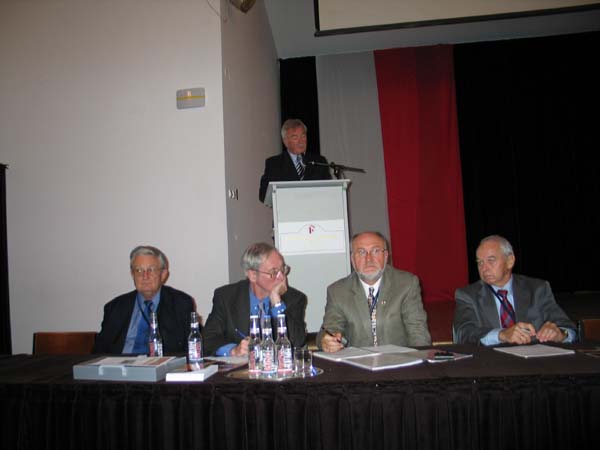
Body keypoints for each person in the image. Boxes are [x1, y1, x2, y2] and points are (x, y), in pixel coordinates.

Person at [318, 231, 431, 352]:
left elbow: (418, 333)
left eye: (376, 251)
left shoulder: (406, 284)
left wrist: (419, 360)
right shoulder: (337, 291)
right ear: (352, 259)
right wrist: (327, 341)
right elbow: (329, 330)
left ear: (386, 256)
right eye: (361, 252)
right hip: (357, 361)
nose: (369, 259)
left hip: (399, 360)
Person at [453, 235, 576, 345]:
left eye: (491, 260)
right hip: (492, 360)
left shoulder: (537, 289)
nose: (484, 268)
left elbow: (568, 328)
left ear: (510, 261)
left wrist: (561, 334)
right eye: (480, 262)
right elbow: (463, 333)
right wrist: (502, 335)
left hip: (534, 359)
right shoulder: (468, 295)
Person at [203, 242, 307, 356]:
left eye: (283, 270)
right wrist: (233, 350)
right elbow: (208, 339)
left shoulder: (294, 298)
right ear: (253, 275)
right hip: (240, 366)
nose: (282, 277)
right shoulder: (226, 297)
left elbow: (297, 342)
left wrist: (277, 304)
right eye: (274, 272)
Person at [93, 245, 195, 354]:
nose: (145, 276)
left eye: (151, 270)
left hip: (161, 363)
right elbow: (98, 352)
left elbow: (190, 348)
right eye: (139, 270)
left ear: (163, 274)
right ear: (132, 274)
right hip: (121, 363)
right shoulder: (115, 308)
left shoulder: (180, 304)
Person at [258, 118, 332, 203]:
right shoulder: (274, 164)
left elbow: (329, 190)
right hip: (287, 209)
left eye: (303, 136)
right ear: (285, 141)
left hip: (316, 208)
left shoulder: (320, 161)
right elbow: (263, 194)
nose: (301, 141)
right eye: (295, 137)